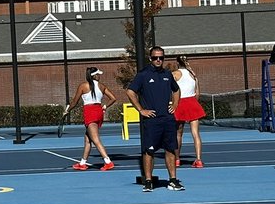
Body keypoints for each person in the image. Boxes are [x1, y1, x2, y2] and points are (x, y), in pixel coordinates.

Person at [125, 45, 184, 193]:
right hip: (151, 120)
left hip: (167, 119)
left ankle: (172, 180)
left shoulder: (167, 74)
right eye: (155, 57)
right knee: (149, 151)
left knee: (170, 149)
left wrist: (175, 104)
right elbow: (131, 92)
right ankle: (149, 181)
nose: (158, 60)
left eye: (161, 58)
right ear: (150, 58)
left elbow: (176, 90)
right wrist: (141, 110)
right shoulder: (143, 75)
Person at [66, 67, 119, 171]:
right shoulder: (102, 86)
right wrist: (104, 107)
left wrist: (67, 110)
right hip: (98, 112)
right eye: (98, 74)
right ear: (93, 75)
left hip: (90, 112)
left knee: (95, 139)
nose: (99, 76)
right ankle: (82, 163)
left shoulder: (83, 86)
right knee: (87, 139)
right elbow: (113, 98)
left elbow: (74, 101)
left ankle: (108, 162)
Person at [172, 55, 206, 167]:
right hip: (192, 103)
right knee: (196, 133)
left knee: (178, 133)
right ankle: (199, 159)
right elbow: (197, 93)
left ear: (177, 63)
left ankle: (177, 159)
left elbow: (171, 90)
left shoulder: (174, 74)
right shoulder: (193, 75)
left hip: (180, 103)